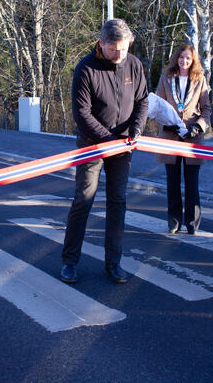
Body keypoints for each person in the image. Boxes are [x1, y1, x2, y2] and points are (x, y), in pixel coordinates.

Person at [60, 19, 148, 284]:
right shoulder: (85, 69)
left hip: (123, 146)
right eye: (113, 49)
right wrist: (107, 138)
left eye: (123, 48)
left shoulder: (133, 64)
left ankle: (114, 263)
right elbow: (82, 114)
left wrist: (136, 130)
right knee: (83, 201)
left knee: (117, 203)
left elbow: (143, 100)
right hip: (93, 145)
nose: (119, 54)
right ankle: (70, 262)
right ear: (101, 44)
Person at [155, 43, 211, 235]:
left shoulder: (200, 80)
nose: (184, 61)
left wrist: (198, 127)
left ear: (193, 60)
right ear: (176, 58)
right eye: (181, 57)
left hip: (193, 139)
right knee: (172, 182)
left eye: (188, 58)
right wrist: (168, 123)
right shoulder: (166, 78)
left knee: (191, 183)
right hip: (170, 136)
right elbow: (158, 105)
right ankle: (174, 221)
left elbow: (206, 110)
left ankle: (192, 223)